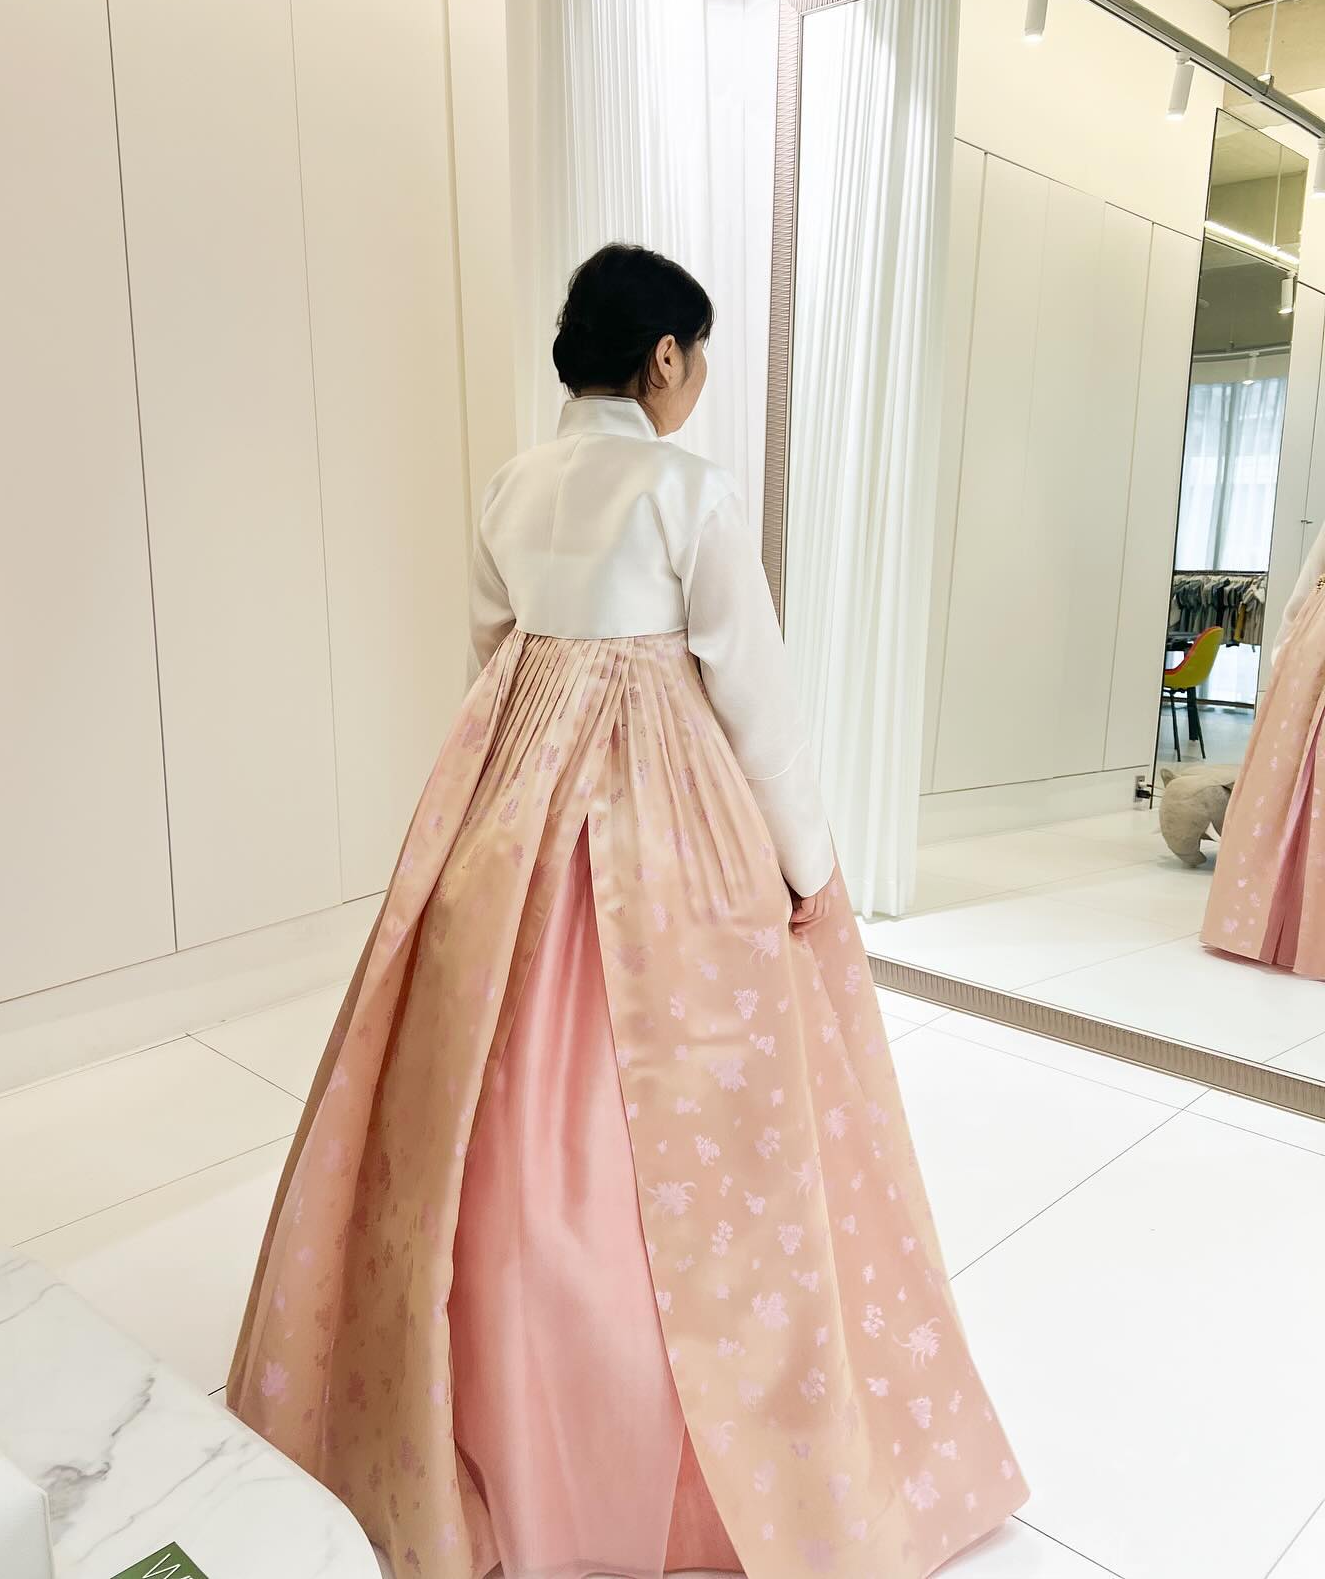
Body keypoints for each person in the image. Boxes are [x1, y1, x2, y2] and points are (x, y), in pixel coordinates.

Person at [229, 244, 1026, 1579]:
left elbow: (494, 653)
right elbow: (754, 696)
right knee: (696, 1111)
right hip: (668, 823)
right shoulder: (687, 491)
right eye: (698, 356)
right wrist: (807, 863)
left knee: (490, 1097)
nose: (698, 378)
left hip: (514, 809)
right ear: (665, 356)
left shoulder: (512, 485)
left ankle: (486, 1405)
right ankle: (709, 1442)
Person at [1203, 521, 1325, 977]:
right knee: (1290, 781)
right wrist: (1287, 651)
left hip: (1313, 644)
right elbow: (1313, 574)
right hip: (1315, 647)